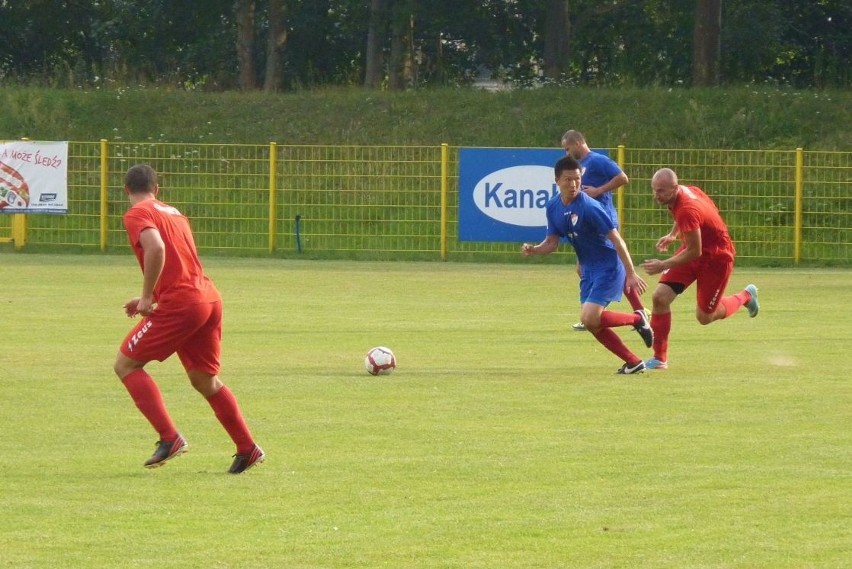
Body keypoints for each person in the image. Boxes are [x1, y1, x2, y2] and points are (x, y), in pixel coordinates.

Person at [114, 164, 265, 474]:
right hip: (207, 298)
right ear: (157, 189)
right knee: (204, 379)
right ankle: (247, 448)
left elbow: (155, 247)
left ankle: (170, 438)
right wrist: (152, 297)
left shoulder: (137, 213)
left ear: (127, 189)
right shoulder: (174, 213)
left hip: (183, 304)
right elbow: (181, 262)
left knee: (126, 365)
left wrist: (146, 298)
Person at [522, 155, 653, 374]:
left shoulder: (589, 207)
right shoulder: (553, 206)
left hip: (609, 266)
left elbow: (617, 239)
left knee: (589, 317)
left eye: (577, 179)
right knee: (593, 324)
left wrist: (630, 273)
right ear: (557, 181)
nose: (573, 184)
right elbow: (552, 243)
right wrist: (534, 249)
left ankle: (637, 319)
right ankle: (633, 362)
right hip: (588, 269)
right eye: (567, 180)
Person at [640, 168, 759, 370]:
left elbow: (695, 250)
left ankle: (746, 296)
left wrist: (663, 264)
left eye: (661, 191)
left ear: (675, 188)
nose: (656, 196)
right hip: (694, 249)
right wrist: (673, 234)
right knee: (660, 297)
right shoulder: (686, 192)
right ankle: (660, 358)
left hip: (716, 258)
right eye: (654, 190)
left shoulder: (688, 208)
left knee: (704, 317)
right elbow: (693, 223)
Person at [561, 129, 647, 331]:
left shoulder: (598, 160)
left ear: (578, 143)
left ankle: (593, 313)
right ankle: (639, 312)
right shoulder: (579, 166)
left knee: (601, 268)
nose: (566, 153)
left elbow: (622, 178)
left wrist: (598, 190)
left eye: (567, 148)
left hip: (603, 223)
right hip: (589, 225)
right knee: (589, 268)